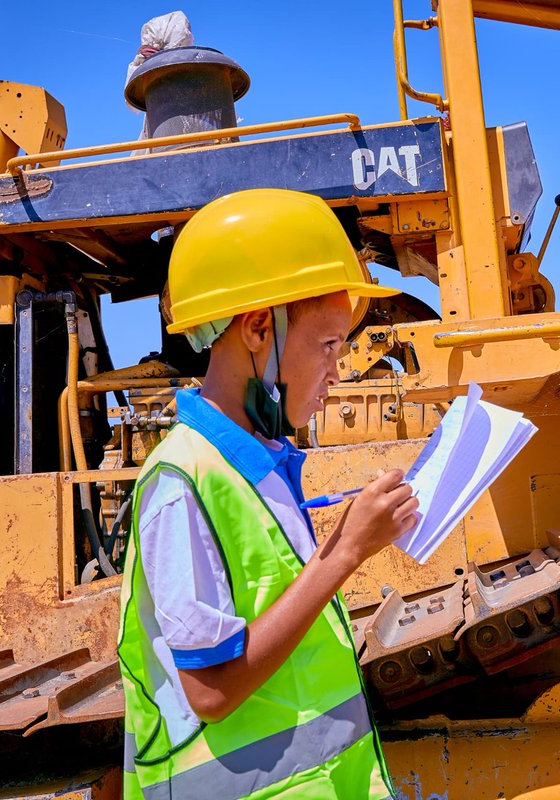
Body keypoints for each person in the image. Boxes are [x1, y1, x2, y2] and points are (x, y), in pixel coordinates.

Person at [118, 188, 418, 799]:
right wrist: (344, 553)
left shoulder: (261, 462)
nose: (338, 370)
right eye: (328, 345)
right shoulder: (181, 479)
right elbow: (211, 691)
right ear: (259, 328)